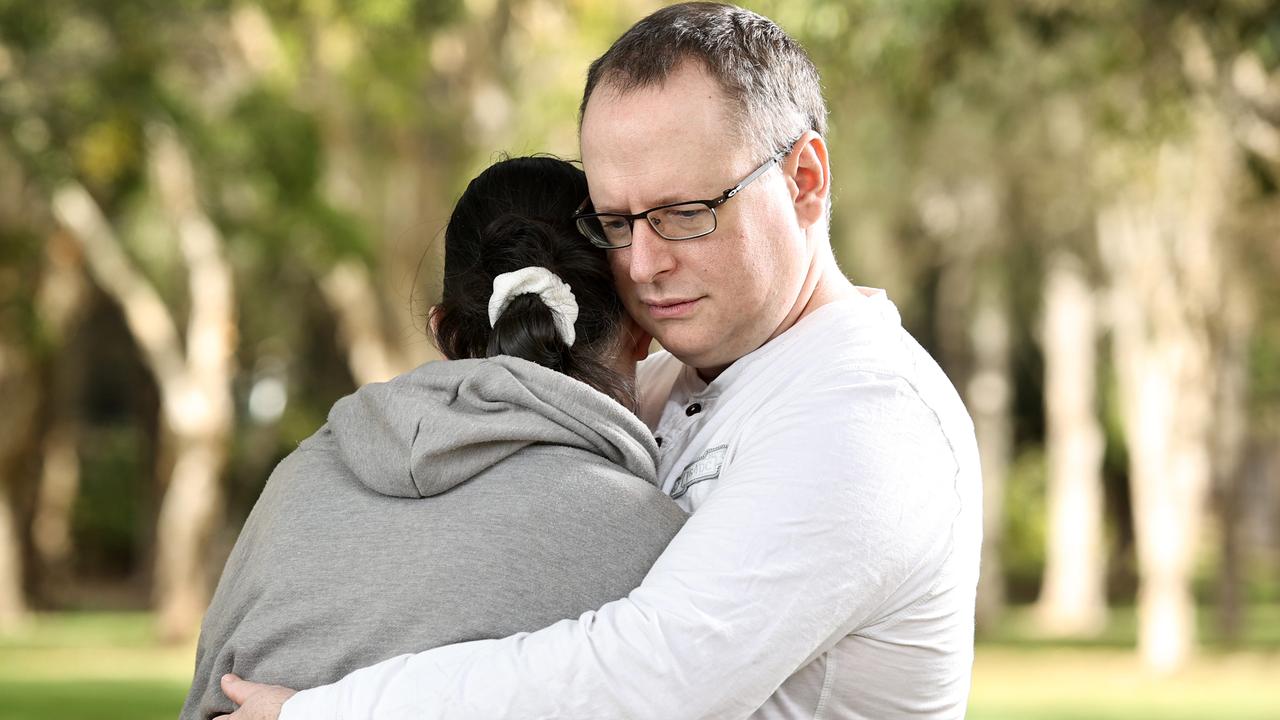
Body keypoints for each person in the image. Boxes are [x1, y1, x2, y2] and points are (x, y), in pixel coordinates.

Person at [221, 3, 983, 718]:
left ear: (804, 181)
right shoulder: (655, 381)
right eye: (617, 222)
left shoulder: (865, 418)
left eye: (686, 213)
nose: (644, 266)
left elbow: (650, 676)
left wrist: (322, 709)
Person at [182, 156, 687, 719]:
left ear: (444, 329)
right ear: (643, 329)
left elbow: (208, 690)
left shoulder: (298, 477)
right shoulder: (658, 540)